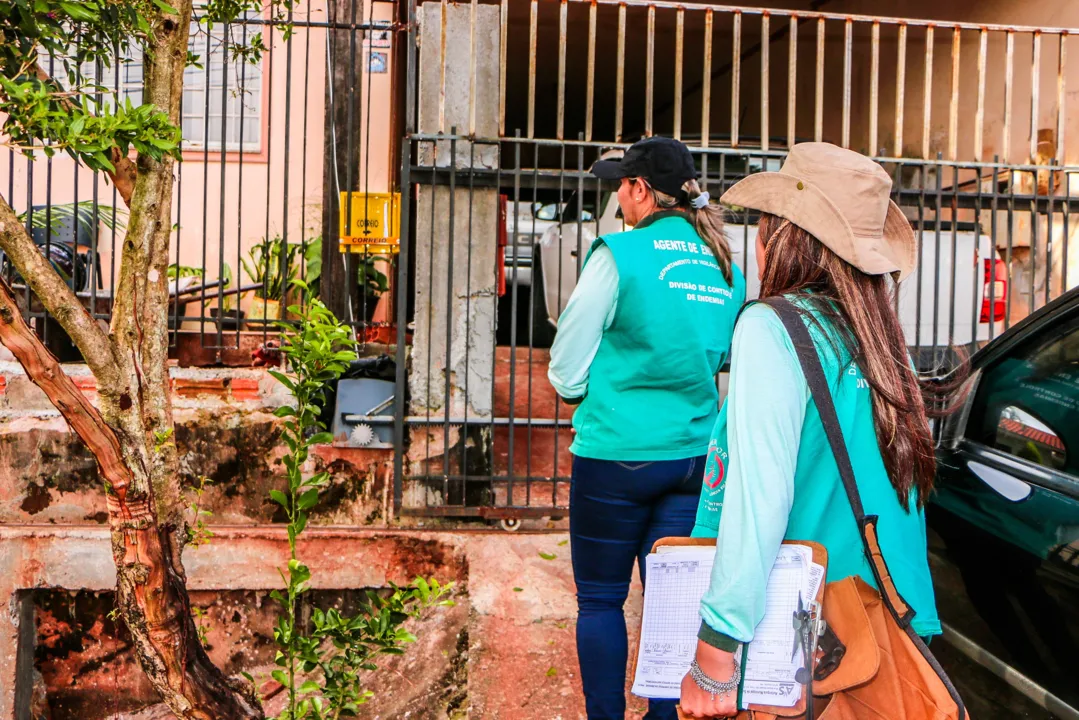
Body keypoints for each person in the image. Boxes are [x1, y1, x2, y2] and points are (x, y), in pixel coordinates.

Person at [679, 143, 950, 717]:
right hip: (891, 624)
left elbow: (759, 498)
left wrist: (718, 649)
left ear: (786, 234)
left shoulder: (773, 327)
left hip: (813, 644)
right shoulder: (878, 334)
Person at [548, 136, 746, 720]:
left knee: (602, 601)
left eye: (621, 186)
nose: (618, 199)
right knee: (672, 608)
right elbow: (721, 359)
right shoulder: (724, 265)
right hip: (692, 460)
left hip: (617, 456)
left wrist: (586, 392)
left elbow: (565, 367)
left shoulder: (620, 253)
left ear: (639, 190)